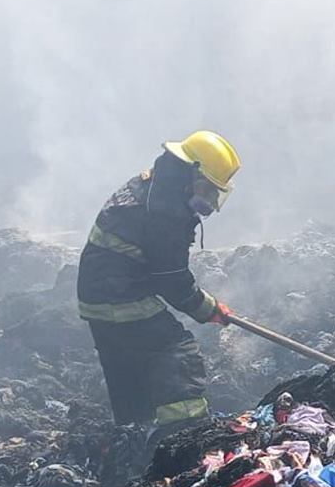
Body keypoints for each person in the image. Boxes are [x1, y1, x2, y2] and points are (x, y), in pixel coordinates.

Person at [77, 131, 239, 449]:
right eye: (206, 189)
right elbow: (173, 281)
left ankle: (133, 441)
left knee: (127, 368)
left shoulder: (151, 187)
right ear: (190, 172)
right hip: (123, 299)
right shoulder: (167, 213)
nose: (208, 202)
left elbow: (152, 265)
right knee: (176, 352)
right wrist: (210, 309)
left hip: (97, 300)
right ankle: (183, 438)